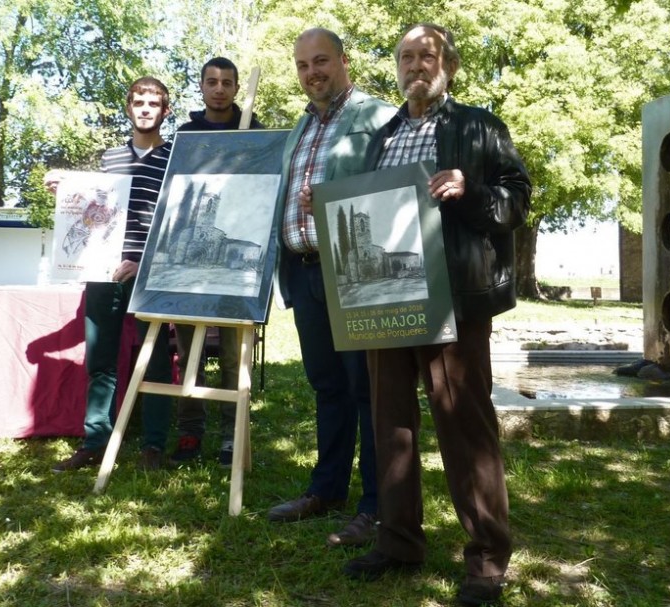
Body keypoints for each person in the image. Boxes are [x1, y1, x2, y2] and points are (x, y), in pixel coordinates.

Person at [342, 24, 531, 607]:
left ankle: (486, 563)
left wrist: (468, 188)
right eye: (406, 57)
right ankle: (399, 542)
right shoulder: (384, 135)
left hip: (455, 297)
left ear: (447, 63)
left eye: (426, 56)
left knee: (465, 426)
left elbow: (516, 201)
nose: (415, 65)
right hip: (386, 298)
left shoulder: (478, 126)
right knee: (390, 423)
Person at [268, 28, 397, 547]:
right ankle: (327, 490)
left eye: (321, 61)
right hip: (303, 271)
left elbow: (397, 188)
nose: (311, 72)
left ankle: (377, 505)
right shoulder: (299, 126)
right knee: (328, 386)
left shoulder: (378, 116)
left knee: (369, 390)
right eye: (302, 65)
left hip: (353, 271)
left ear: (344, 60)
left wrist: (333, 198)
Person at [49, 76, 176, 473]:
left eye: (153, 103)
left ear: (165, 111)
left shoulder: (175, 158)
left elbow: (175, 220)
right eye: (138, 102)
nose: (144, 109)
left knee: (155, 360)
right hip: (103, 271)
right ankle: (95, 442)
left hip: (148, 271)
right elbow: (93, 212)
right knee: (100, 359)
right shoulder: (109, 161)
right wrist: (65, 192)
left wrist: (146, 261)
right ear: (128, 107)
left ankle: (153, 446)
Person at [166, 57, 264, 469]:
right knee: (189, 353)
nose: (219, 89)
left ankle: (230, 434)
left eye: (227, 82)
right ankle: (191, 431)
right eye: (212, 82)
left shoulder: (256, 133)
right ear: (202, 87)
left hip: (236, 250)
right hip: (190, 265)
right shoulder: (187, 136)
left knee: (230, 355)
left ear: (237, 87)